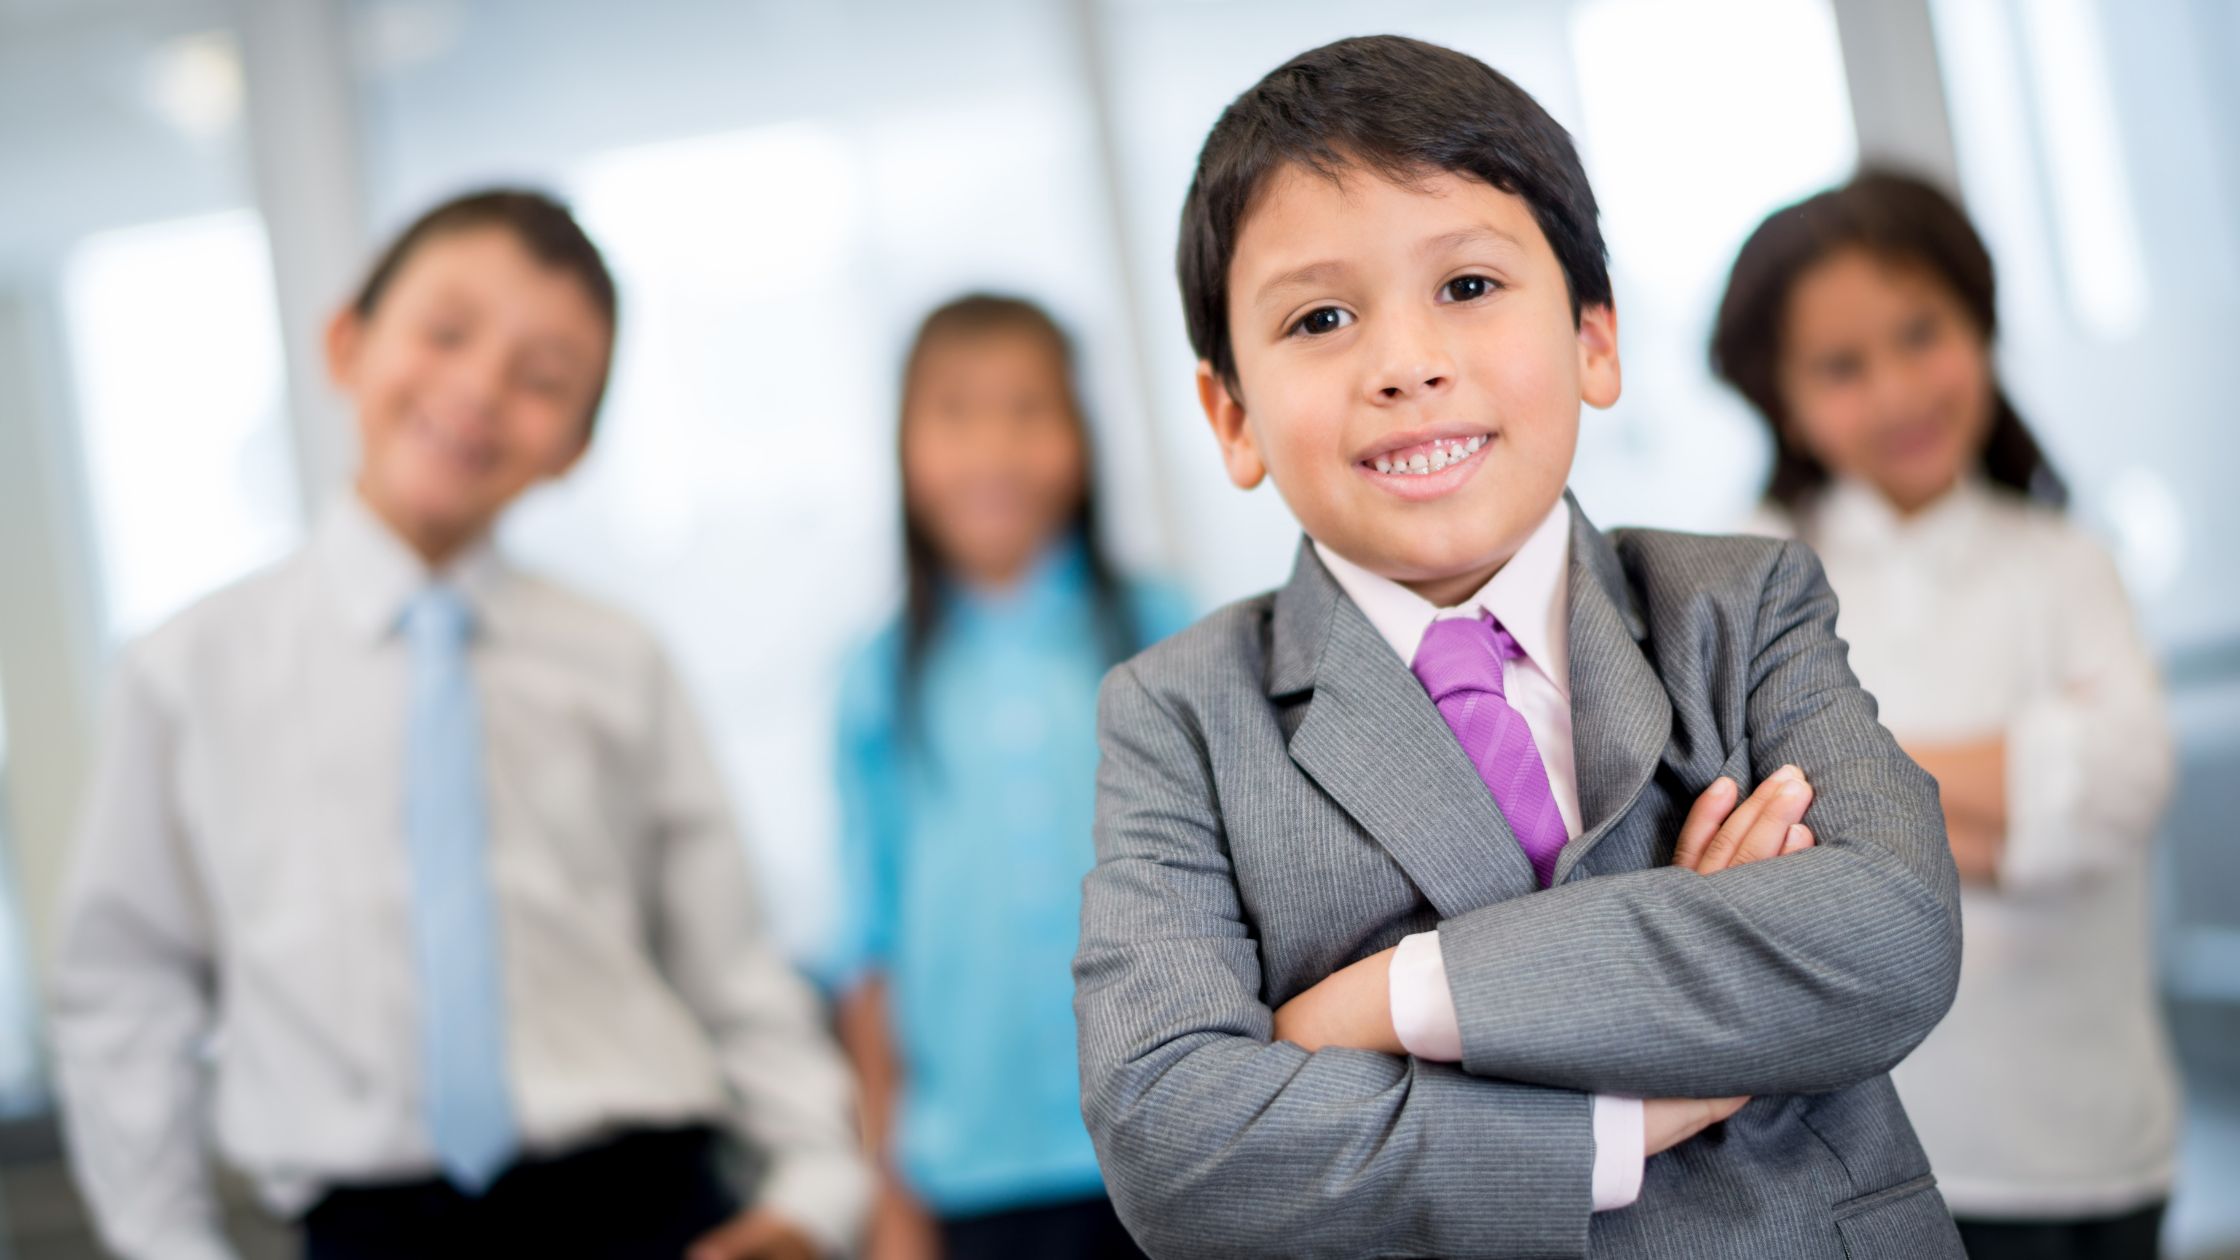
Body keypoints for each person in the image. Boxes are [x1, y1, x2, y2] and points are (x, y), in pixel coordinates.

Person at [1072, 35, 1965, 1258]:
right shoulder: (1175, 716)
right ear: (1232, 414)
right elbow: (1173, 1137)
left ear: (1594, 340)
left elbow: (1890, 930)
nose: (1405, 364)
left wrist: (1386, 1001)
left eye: (1468, 287)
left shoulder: (1739, 601)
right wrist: (1618, 1109)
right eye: (1320, 316)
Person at [50, 189, 868, 1260]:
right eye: (443, 333)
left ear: (575, 443)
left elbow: (730, 961)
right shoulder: (187, 671)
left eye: (542, 379)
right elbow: (125, 988)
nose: (477, 389)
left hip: (647, 1200)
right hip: (365, 1224)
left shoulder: (618, 661)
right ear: (347, 342)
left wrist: (815, 1188)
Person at [1712, 169, 2179, 1260]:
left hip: (2102, 1131)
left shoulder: (2065, 561)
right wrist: (2017, 783)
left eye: (1921, 333)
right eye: (1838, 365)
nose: (1894, 391)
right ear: (1779, 394)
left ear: (1979, 324)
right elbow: (1753, 851)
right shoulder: (1740, 576)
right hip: (1872, 1157)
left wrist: (1855, 797)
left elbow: (2124, 784)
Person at [827, 295, 1188, 1260]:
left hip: (1169, 1142)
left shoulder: (1167, 631)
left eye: (1029, 410)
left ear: (1080, 438)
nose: (993, 448)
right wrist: (885, 1179)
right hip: (967, 1172)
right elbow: (867, 947)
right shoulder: (875, 675)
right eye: (955, 413)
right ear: (905, 450)